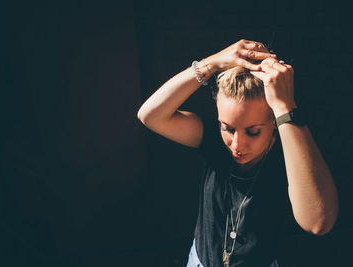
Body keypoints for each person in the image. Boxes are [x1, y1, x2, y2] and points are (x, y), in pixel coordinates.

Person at [137, 39, 338, 267]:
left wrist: (285, 107)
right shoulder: (212, 138)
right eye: (228, 128)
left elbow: (319, 223)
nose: (236, 144)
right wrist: (211, 63)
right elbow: (150, 116)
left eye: (253, 132)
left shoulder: (290, 155)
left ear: (274, 122)